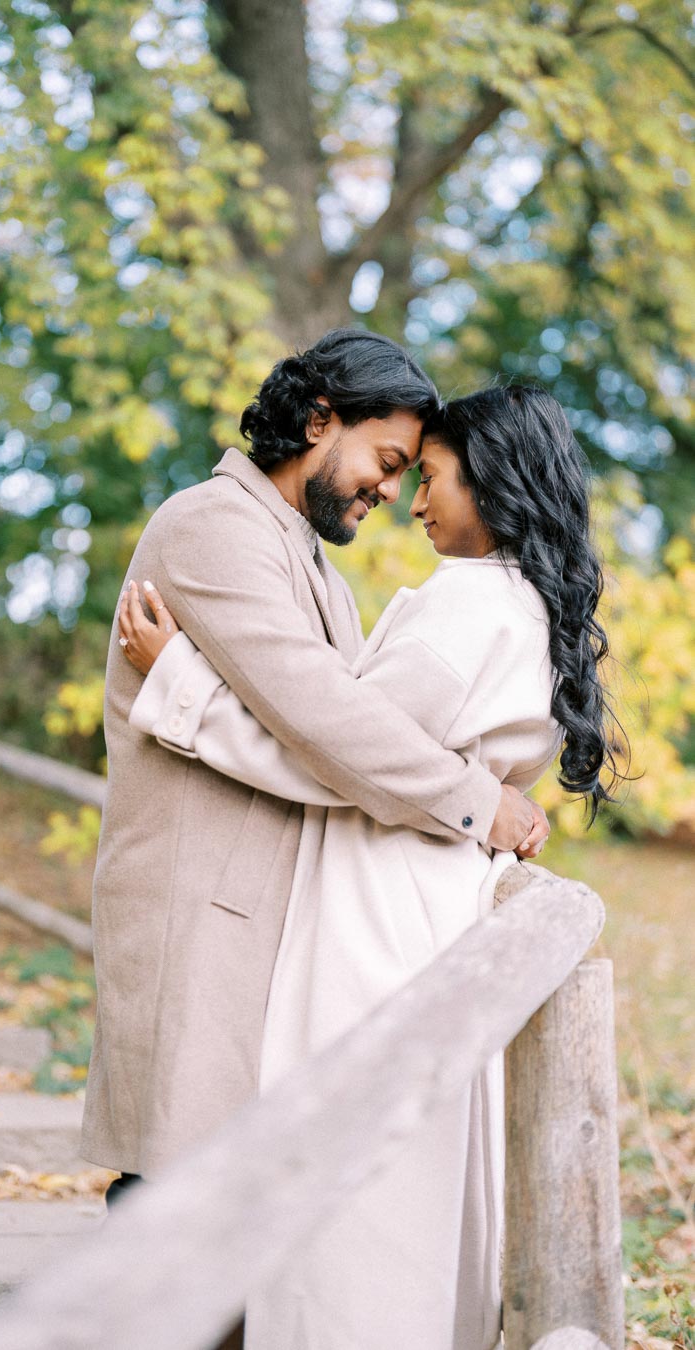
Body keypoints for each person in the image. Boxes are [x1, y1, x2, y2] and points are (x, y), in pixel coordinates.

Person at [119, 384, 622, 1350]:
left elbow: (342, 758)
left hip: (379, 896)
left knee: (355, 1166)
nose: (416, 500)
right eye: (405, 473)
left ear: (495, 485)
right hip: (427, 890)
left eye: (428, 477)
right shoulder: (524, 602)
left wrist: (181, 685)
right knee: (406, 1158)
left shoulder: (469, 603)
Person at [79, 329, 544, 1201]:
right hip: (208, 907)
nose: (394, 490)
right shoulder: (215, 526)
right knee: (171, 1192)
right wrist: (477, 801)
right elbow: (331, 723)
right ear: (320, 421)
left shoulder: (311, 560)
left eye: (411, 472)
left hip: (266, 915)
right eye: (387, 458)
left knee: (229, 1198)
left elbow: (342, 718)